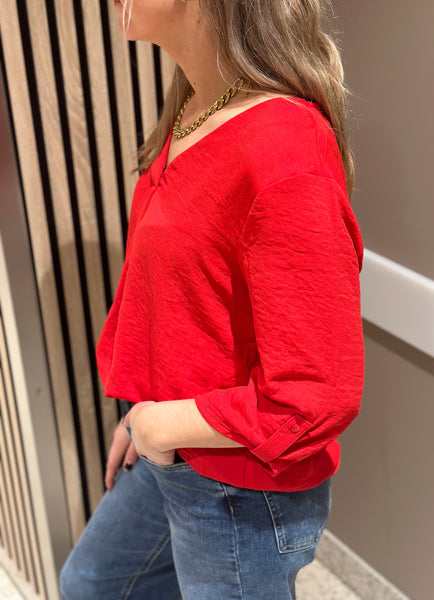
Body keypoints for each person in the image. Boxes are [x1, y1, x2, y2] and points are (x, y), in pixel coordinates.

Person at [60, 0, 364, 598]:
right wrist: (144, 411)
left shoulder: (285, 149)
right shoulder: (195, 108)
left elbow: (315, 394)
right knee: (93, 584)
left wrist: (160, 423)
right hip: (177, 445)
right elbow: (189, 301)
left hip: (238, 488)